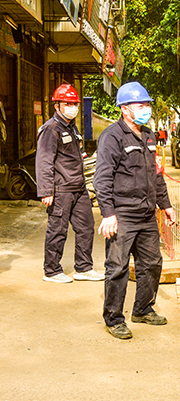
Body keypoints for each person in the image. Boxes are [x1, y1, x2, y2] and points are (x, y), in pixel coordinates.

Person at [94, 81, 177, 340]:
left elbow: (157, 175)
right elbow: (102, 178)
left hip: (146, 214)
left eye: (147, 104)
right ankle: (114, 318)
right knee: (117, 268)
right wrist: (108, 213)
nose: (146, 109)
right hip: (123, 214)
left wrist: (166, 205)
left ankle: (142, 309)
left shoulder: (149, 136)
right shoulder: (112, 137)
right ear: (124, 109)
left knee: (152, 263)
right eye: (141, 105)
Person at [36, 84, 102, 283]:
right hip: (60, 189)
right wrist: (46, 191)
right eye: (67, 103)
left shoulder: (71, 127)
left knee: (86, 226)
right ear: (57, 105)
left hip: (78, 188)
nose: (72, 107)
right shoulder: (51, 129)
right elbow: (44, 161)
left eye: (75, 104)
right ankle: (52, 270)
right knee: (58, 229)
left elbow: (73, 155)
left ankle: (83, 268)